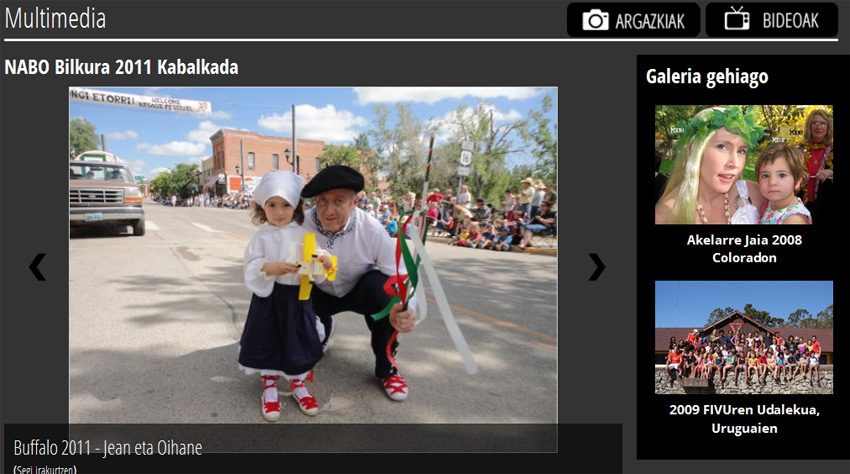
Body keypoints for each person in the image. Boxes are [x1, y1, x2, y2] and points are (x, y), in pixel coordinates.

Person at [300, 166, 418, 402]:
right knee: (292, 290)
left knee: (387, 293)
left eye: (338, 201)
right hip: (319, 290)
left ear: (354, 202)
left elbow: (401, 275)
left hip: (359, 290)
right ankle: (320, 329)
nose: (328, 210)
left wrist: (408, 309)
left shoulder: (371, 228)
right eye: (322, 201)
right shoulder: (301, 225)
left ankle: (388, 368)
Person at [239, 171, 333, 422]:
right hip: (269, 298)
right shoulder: (261, 237)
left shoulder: (303, 234)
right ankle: (269, 386)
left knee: (298, 341)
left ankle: (298, 384)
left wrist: (323, 260)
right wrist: (269, 267)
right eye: (272, 205)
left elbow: (318, 256)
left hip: (297, 298)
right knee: (268, 339)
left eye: (285, 205)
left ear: (296, 206)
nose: (279, 212)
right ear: (262, 207)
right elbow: (251, 264)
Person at [655, 107, 766, 224]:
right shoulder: (666, 215)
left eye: (741, 151)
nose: (735, 164)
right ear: (694, 151)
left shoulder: (756, 194)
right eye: (722, 147)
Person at [756, 144, 811, 224]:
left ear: (797, 182)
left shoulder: (794, 219)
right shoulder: (771, 204)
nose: (772, 182)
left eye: (782, 175)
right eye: (765, 176)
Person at [796, 109, 834, 224]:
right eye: (815, 123)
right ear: (809, 126)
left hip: (826, 206)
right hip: (800, 204)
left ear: (828, 127)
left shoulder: (832, 150)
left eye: (823, 123)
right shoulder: (798, 150)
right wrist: (797, 172)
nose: (819, 127)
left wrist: (831, 172)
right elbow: (785, 173)